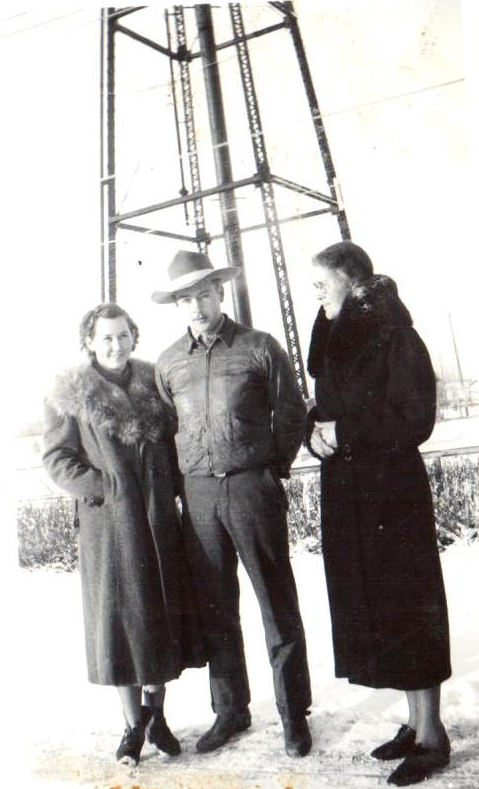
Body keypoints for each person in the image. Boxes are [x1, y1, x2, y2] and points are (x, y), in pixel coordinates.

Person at [153, 249, 312, 757]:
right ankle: (230, 711)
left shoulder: (260, 348)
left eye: (203, 293)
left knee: (275, 602)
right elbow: (164, 429)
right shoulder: (169, 363)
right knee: (216, 609)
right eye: (185, 298)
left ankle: (293, 715)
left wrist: (270, 471)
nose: (196, 305)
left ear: (220, 292)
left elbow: (290, 416)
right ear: (176, 306)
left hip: (251, 488)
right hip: (198, 495)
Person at [306, 240, 451, 786]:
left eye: (322, 282)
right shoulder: (336, 336)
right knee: (386, 612)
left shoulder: (396, 336)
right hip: (352, 492)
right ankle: (416, 726)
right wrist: (313, 433)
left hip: (392, 496)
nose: (316, 292)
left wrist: (342, 433)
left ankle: (433, 734)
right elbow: (329, 406)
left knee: (410, 609)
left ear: (352, 280)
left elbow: (415, 420)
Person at [43, 302, 204, 766]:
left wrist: (173, 489)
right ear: (90, 342)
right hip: (111, 528)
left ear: (134, 337)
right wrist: (104, 488)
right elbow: (57, 458)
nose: (115, 345)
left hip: (158, 521)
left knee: (160, 619)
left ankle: (157, 718)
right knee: (123, 623)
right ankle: (133, 727)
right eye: (106, 337)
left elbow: (176, 443)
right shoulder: (70, 392)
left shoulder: (154, 380)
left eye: (123, 335)